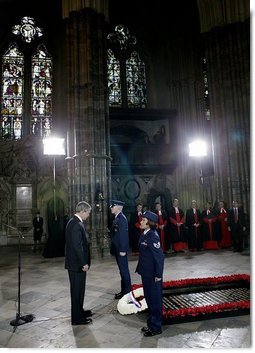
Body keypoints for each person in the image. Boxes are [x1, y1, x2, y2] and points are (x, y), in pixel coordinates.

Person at [136, 211, 164, 337]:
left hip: (153, 274)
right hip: (146, 272)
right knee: (149, 298)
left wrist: (158, 274)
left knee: (155, 300)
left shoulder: (153, 236)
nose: (140, 221)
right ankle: (151, 324)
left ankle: (156, 327)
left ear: (149, 222)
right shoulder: (145, 234)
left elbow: (159, 257)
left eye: (143, 220)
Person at [65, 201, 93, 325]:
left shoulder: (75, 222)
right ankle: (77, 318)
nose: (88, 215)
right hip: (77, 265)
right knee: (77, 291)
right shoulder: (76, 224)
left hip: (76, 264)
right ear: (82, 211)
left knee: (79, 290)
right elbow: (77, 247)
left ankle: (79, 311)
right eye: (88, 213)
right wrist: (84, 263)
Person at [110, 199, 131, 299]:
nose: (111, 208)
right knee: (122, 271)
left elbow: (123, 236)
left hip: (121, 250)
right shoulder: (117, 217)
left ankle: (127, 293)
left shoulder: (121, 219)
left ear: (118, 207)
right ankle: (124, 292)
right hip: (118, 249)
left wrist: (123, 249)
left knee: (124, 271)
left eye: (112, 206)